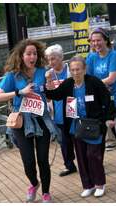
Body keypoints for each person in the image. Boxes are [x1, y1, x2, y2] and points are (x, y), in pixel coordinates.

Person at [0, 39, 60, 203]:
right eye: (28, 54)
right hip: (22, 122)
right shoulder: (12, 75)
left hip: (42, 119)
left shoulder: (42, 72)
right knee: (28, 162)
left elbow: (51, 92)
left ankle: (46, 192)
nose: (32, 57)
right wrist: (19, 92)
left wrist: (50, 82)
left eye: (35, 54)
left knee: (43, 159)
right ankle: (34, 183)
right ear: (21, 56)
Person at [45, 56, 115, 198]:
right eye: (73, 70)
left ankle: (100, 184)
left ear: (84, 69)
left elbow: (107, 99)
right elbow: (55, 95)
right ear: (70, 71)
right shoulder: (68, 83)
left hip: (94, 124)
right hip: (76, 125)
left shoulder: (93, 82)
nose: (75, 72)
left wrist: (109, 118)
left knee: (93, 155)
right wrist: (48, 82)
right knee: (81, 157)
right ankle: (88, 185)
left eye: (78, 69)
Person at [86, 27, 116, 171]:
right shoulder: (92, 57)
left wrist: (96, 85)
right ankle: (98, 162)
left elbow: (112, 79)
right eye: (93, 41)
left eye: (98, 40)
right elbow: (88, 78)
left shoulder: (114, 55)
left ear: (105, 40)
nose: (96, 44)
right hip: (99, 101)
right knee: (99, 132)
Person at [45, 44, 77, 177]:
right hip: (58, 112)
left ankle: (87, 161)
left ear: (61, 57)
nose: (51, 62)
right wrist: (49, 84)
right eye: (49, 59)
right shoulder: (48, 75)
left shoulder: (71, 69)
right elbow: (47, 98)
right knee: (64, 141)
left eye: (54, 58)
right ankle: (69, 165)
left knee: (78, 138)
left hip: (73, 109)